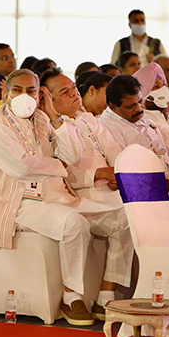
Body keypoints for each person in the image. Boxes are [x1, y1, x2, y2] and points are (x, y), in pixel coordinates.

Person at [0, 69, 95, 325]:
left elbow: (73, 157)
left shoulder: (42, 118)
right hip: (15, 203)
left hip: (53, 195)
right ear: (6, 93)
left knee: (118, 216)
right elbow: (21, 167)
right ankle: (71, 298)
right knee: (74, 224)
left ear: (41, 94)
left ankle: (106, 295)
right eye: (17, 90)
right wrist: (58, 166)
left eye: (31, 91)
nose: (24, 96)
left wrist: (54, 116)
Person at [40, 68, 134, 319]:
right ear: (47, 98)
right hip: (76, 195)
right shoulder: (46, 126)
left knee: (133, 216)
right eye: (64, 92)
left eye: (73, 87)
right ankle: (72, 298)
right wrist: (99, 174)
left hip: (107, 191)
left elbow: (114, 150)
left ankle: (106, 295)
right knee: (128, 213)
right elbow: (58, 172)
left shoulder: (87, 119)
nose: (74, 93)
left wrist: (118, 172)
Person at [99, 75, 169, 233]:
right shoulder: (107, 126)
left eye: (140, 101)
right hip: (152, 192)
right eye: (131, 106)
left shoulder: (146, 118)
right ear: (113, 107)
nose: (139, 109)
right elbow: (127, 173)